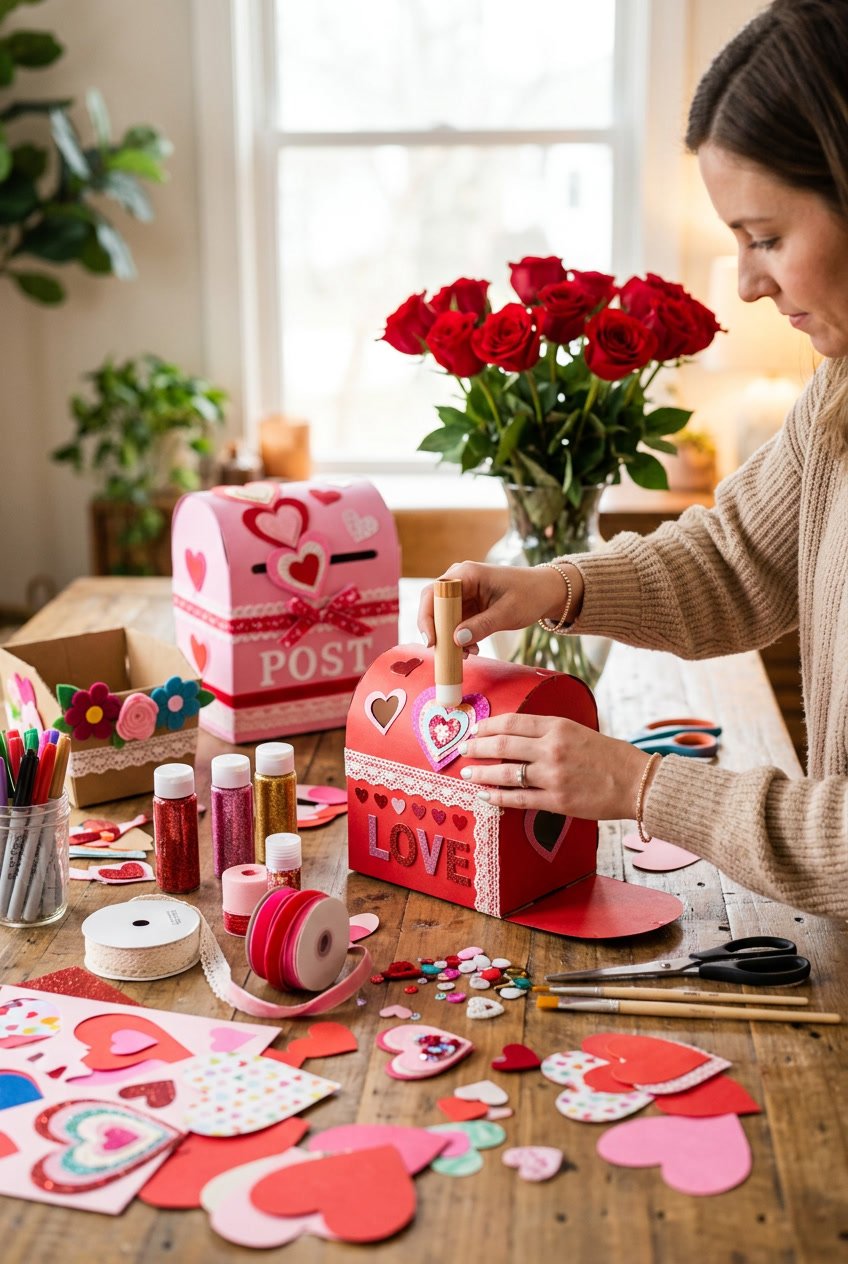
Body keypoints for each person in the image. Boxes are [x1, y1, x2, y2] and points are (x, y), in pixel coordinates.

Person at [418, 0, 848, 920]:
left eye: (768, 238)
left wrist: (645, 788)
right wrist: (553, 588)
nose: (747, 283)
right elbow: (736, 562)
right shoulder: (838, 396)